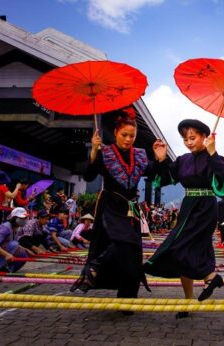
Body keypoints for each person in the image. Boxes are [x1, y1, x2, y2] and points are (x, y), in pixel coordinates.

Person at [144, 118, 224, 313]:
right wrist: (161, 158)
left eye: (193, 138)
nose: (188, 142)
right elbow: (164, 178)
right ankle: (191, 297)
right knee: (187, 252)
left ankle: (210, 278)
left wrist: (213, 153)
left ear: (205, 137)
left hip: (206, 208)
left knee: (184, 248)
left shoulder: (215, 158)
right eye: (185, 139)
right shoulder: (183, 160)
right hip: (187, 207)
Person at [70, 108, 152, 302]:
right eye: (124, 135)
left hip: (131, 208)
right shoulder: (105, 152)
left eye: (132, 136)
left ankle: (127, 297)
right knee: (125, 243)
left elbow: (156, 173)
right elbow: (89, 175)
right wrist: (93, 152)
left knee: (133, 251)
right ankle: (96, 266)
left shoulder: (140, 155)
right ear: (115, 133)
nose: (128, 139)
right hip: (111, 206)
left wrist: (160, 157)